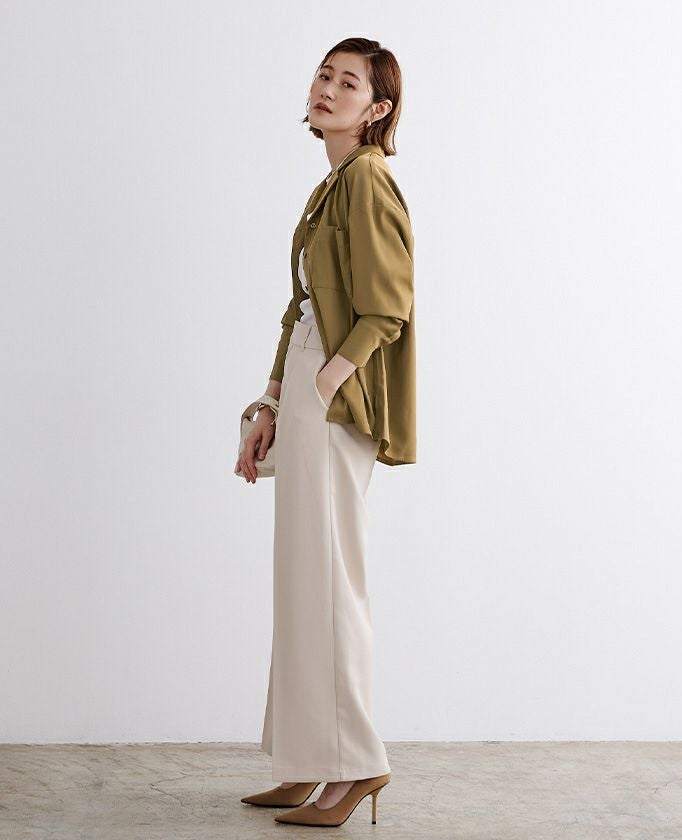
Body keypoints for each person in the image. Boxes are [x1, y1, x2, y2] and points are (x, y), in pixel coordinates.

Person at [236, 37, 416, 828]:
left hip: (337, 398)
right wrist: (270, 404)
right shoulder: (329, 187)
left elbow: (388, 305)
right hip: (309, 389)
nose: (328, 88)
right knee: (304, 580)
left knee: (332, 579)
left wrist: (328, 380)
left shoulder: (368, 180)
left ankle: (357, 765)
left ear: (376, 110)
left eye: (349, 82)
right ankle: (306, 761)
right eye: (324, 74)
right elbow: (299, 309)